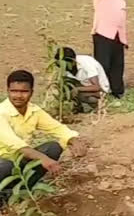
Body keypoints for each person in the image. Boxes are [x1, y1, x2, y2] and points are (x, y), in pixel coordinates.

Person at [0, 71, 87, 204]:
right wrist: (42, 158)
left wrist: (74, 140)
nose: (18, 96)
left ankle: (22, 190)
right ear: (8, 91)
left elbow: (57, 128)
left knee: (53, 147)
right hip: (3, 162)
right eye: (14, 91)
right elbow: (15, 144)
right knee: (6, 165)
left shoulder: (34, 111)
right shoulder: (2, 112)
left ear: (31, 92)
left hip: (18, 161)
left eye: (24, 91)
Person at [91, 0, 133, 98]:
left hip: (117, 34)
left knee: (117, 64)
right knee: (103, 64)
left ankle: (117, 91)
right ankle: (102, 91)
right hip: (103, 32)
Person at [58, 47, 110, 112]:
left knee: (79, 95)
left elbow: (97, 87)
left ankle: (99, 105)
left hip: (100, 90)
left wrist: (78, 89)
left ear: (72, 62)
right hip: (83, 85)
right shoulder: (67, 67)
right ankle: (77, 107)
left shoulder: (87, 64)